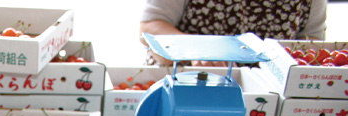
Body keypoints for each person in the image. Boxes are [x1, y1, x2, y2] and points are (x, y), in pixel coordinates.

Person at [139, 0, 328, 65]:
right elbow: (151, 27)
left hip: (269, 101)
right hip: (189, 86)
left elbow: (312, 44)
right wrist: (197, 50)